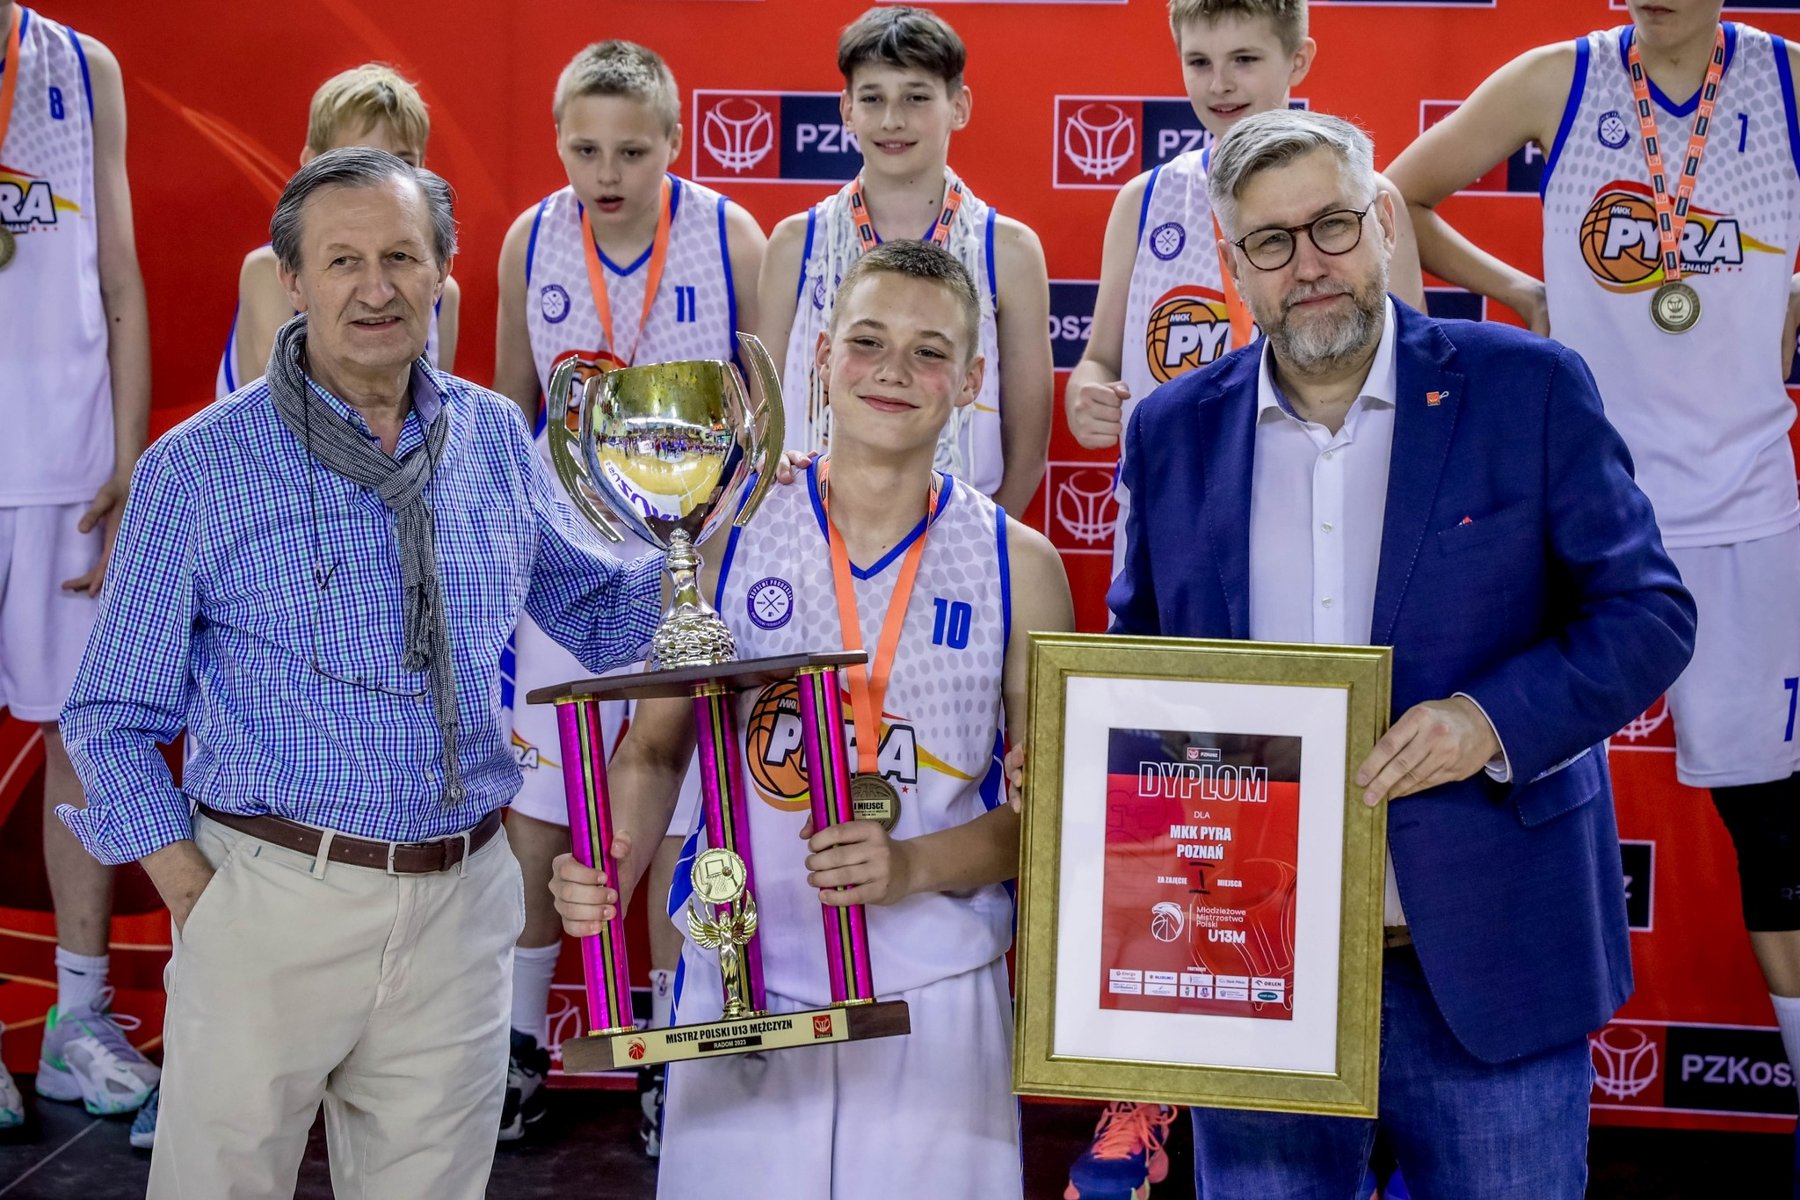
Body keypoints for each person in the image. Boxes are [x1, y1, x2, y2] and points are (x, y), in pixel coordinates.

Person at [58, 147, 665, 1198]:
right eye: (343, 261)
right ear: (292, 279)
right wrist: (201, 897)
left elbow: (603, 617)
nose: (375, 288)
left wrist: (727, 533)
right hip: (272, 900)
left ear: (443, 275)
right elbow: (108, 716)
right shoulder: (199, 467)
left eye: (401, 257)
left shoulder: (491, 436)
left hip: (462, 905)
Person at [1110, 109, 1695, 1196]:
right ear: (1234, 266)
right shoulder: (1171, 431)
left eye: (1331, 225)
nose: (1308, 264)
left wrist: (1488, 722)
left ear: (1384, 222)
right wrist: (1081, 759)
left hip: (1485, 953)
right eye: (1270, 242)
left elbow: (1648, 614)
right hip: (1252, 971)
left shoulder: (1528, 388)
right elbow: (1136, 664)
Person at [549, 239, 1073, 1199]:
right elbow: (653, 752)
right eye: (868, 341)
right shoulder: (724, 535)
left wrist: (911, 866)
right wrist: (609, 864)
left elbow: (1047, 815)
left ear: (972, 382)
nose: (893, 370)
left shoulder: (1019, 566)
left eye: (929, 351)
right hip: (741, 979)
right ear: (823, 355)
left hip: (934, 988)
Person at [1384, 0, 1800, 1134]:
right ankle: (1461, 1102)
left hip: (1741, 508)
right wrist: (1519, 293)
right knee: (1487, 790)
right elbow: (1393, 198)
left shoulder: (1785, 84)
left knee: (1779, 834)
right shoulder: (1554, 81)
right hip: (1575, 502)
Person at [491, 37, 765, 1147]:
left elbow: (761, 417)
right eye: (585, 149)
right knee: (539, 807)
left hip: (683, 572)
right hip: (561, 571)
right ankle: (518, 1047)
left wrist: (723, 555)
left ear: (675, 143)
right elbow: (509, 407)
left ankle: (661, 1050)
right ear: (559, 142)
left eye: (633, 151)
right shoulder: (531, 236)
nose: (606, 173)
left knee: (678, 808)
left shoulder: (732, 236)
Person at [1064, 0, 1425, 584]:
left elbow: (1413, 366)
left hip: (1330, 509)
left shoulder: (1364, 197)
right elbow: (1099, 359)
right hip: (1174, 512)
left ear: (1298, 60)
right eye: (1199, 62)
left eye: (1245, 59)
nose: (1220, 83)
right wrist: (1087, 393)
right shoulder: (1144, 201)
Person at [0, 0, 152, 1131]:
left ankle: (78, 1023)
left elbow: (120, 276)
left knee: (84, 741)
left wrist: (132, 448)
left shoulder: (80, 65)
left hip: (67, 465)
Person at [758, 4, 1052, 516]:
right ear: (847, 109)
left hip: (957, 529)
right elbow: (766, 421)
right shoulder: (794, 245)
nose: (892, 120)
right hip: (810, 528)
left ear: (958, 106)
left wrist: (978, 543)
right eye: (873, 98)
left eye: (916, 97)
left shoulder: (1008, 250)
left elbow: (1028, 448)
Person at [216, 63, 461, 396]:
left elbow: (434, 408)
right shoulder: (269, 273)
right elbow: (277, 410)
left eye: (401, 163)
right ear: (310, 165)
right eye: (356, 163)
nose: (380, 183)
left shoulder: (440, 289)